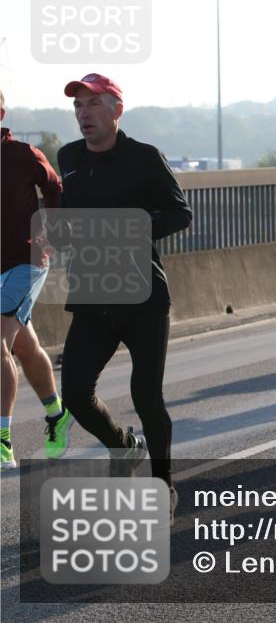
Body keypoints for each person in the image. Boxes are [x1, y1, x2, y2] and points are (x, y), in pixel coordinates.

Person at [56, 74, 191, 514]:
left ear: (116, 109)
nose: (83, 114)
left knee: (147, 397)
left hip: (143, 297)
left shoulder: (145, 158)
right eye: (78, 106)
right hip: (93, 295)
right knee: (75, 393)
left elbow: (179, 213)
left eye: (92, 104)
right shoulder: (69, 157)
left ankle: (163, 485)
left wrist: (130, 230)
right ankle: (123, 446)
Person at [1, 90, 68, 469]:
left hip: (27, 262)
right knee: (24, 347)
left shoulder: (22, 154)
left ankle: (2, 442)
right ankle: (58, 415)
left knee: (0, 341)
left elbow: (55, 187)